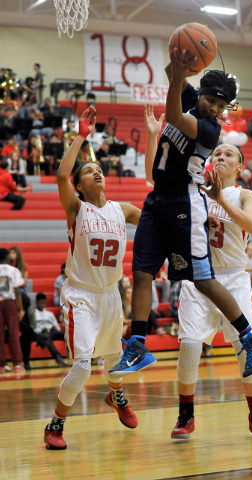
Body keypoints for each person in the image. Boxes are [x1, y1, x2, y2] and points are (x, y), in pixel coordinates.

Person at [108, 53, 252, 380]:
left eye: (220, 105)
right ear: (203, 95)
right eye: (210, 100)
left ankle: (251, 338)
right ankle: (137, 344)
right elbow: (174, 74)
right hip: (157, 199)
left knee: (201, 279)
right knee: (141, 273)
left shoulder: (209, 129)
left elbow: (172, 112)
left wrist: (177, 76)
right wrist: (177, 57)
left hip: (185, 201)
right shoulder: (193, 99)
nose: (213, 107)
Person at [43, 106, 142, 450]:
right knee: (83, 365)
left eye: (99, 168)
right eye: (89, 170)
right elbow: (59, 176)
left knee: (116, 359)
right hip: (81, 294)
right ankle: (55, 424)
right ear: (80, 186)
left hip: (111, 294)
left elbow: (154, 221)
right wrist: (81, 135)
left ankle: (116, 396)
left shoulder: (123, 209)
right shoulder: (76, 209)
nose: (96, 172)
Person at [170, 143, 252, 439]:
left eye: (229, 154)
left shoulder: (245, 195)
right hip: (199, 278)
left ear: (240, 167)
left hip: (233, 278)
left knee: (246, 352)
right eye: (217, 153)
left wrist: (220, 201)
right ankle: (185, 415)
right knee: (190, 345)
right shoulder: (196, 191)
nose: (221, 156)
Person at [0, 248, 25, 374]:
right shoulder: (13, 270)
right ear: (7, 257)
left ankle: (1, 366)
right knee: (13, 332)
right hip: (10, 302)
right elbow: (17, 290)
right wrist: (20, 308)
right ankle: (17, 364)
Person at [34, 292, 67, 367]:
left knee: (65, 334)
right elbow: (33, 329)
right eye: (41, 303)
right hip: (42, 333)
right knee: (46, 337)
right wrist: (41, 330)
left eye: (44, 303)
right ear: (36, 302)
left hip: (52, 332)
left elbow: (57, 327)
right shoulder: (34, 314)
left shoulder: (50, 314)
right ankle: (58, 357)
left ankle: (82, 355)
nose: (43, 305)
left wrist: (54, 328)